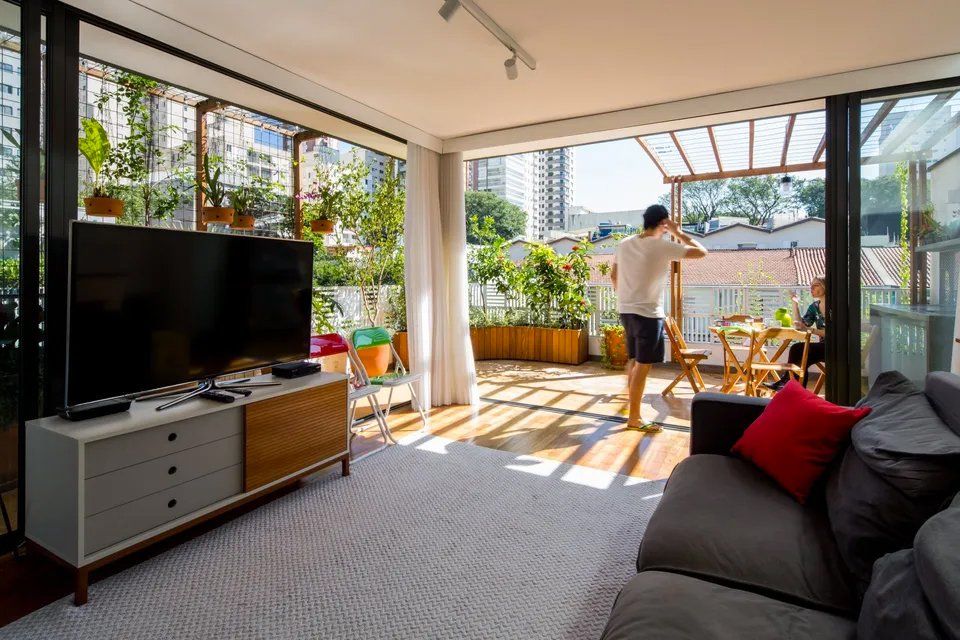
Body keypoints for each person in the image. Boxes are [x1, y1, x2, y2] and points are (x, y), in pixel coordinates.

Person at [611, 205, 708, 432]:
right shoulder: (662, 246)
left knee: (633, 361)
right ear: (663, 223)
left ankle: (631, 405)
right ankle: (634, 417)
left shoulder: (624, 244)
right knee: (642, 367)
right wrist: (678, 232)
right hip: (648, 314)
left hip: (626, 310)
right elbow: (702, 252)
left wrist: (626, 295)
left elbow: (613, 275)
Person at [764, 276, 826, 392]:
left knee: (798, 349)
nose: (811, 288)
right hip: (822, 347)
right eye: (811, 285)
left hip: (837, 347)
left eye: (816, 285)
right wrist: (795, 304)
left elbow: (836, 333)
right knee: (800, 354)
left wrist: (811, 330)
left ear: (826, 286)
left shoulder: (836, 307)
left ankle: (790, 386)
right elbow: (800, 326)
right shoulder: (814, 307)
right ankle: (794, 388)